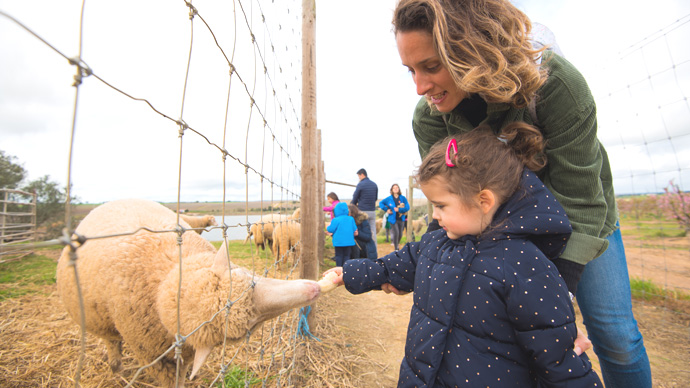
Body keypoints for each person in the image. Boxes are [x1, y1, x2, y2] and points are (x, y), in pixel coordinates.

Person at [390, 1, 651, 386]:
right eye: (410, 70)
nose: (420, 87)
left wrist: (553, 301)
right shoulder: (429, 118)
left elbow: (581, 199)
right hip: (498, 228)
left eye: (432, 66)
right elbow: (451, 201)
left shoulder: (557, 86)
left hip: (581, 219)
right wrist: (421, 265)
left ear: (471, 49)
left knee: (616, 337)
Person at [324, 125, 602, 387]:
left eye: (441, 205)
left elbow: (557, 357)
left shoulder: (525, 265)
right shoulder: (438, 242)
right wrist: (352, 272)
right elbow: (401, 263)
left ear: (483, 201)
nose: (434, 215)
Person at [351, 168, 379, 257]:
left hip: (363, 210)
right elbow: (375, 198)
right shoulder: (374, 184)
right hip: (372, 211)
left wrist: (352, 207)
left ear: (362, 174)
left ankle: (363, 251)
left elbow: (355, 198)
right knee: (372, 232)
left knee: (362, 232)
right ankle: (374, 251)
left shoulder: (361, 185)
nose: (359, 178)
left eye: (358, 176)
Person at [378, 184, 410, 251]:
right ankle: (396, 249)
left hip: (401, 219)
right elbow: (381, 203)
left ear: (399, 189)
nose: (395, 189)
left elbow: (407, 207)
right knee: (396, 233)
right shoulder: (389, 199)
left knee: (400, 234)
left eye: (397, 188)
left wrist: (399, 210)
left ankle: (397, 244)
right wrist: (386, 210)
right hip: (393, 219)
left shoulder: (403, 198)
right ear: (392, 190)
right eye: (394, 188)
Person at [325, 202, 358, 267]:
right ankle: (346, 268)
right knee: (347, 256)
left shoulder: (335, 220)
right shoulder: (351, 219)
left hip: (338, 242)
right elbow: (355, 229)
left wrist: (327, 227)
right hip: (349, 242)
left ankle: (339, 268)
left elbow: (331, 229)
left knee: (339, 255)